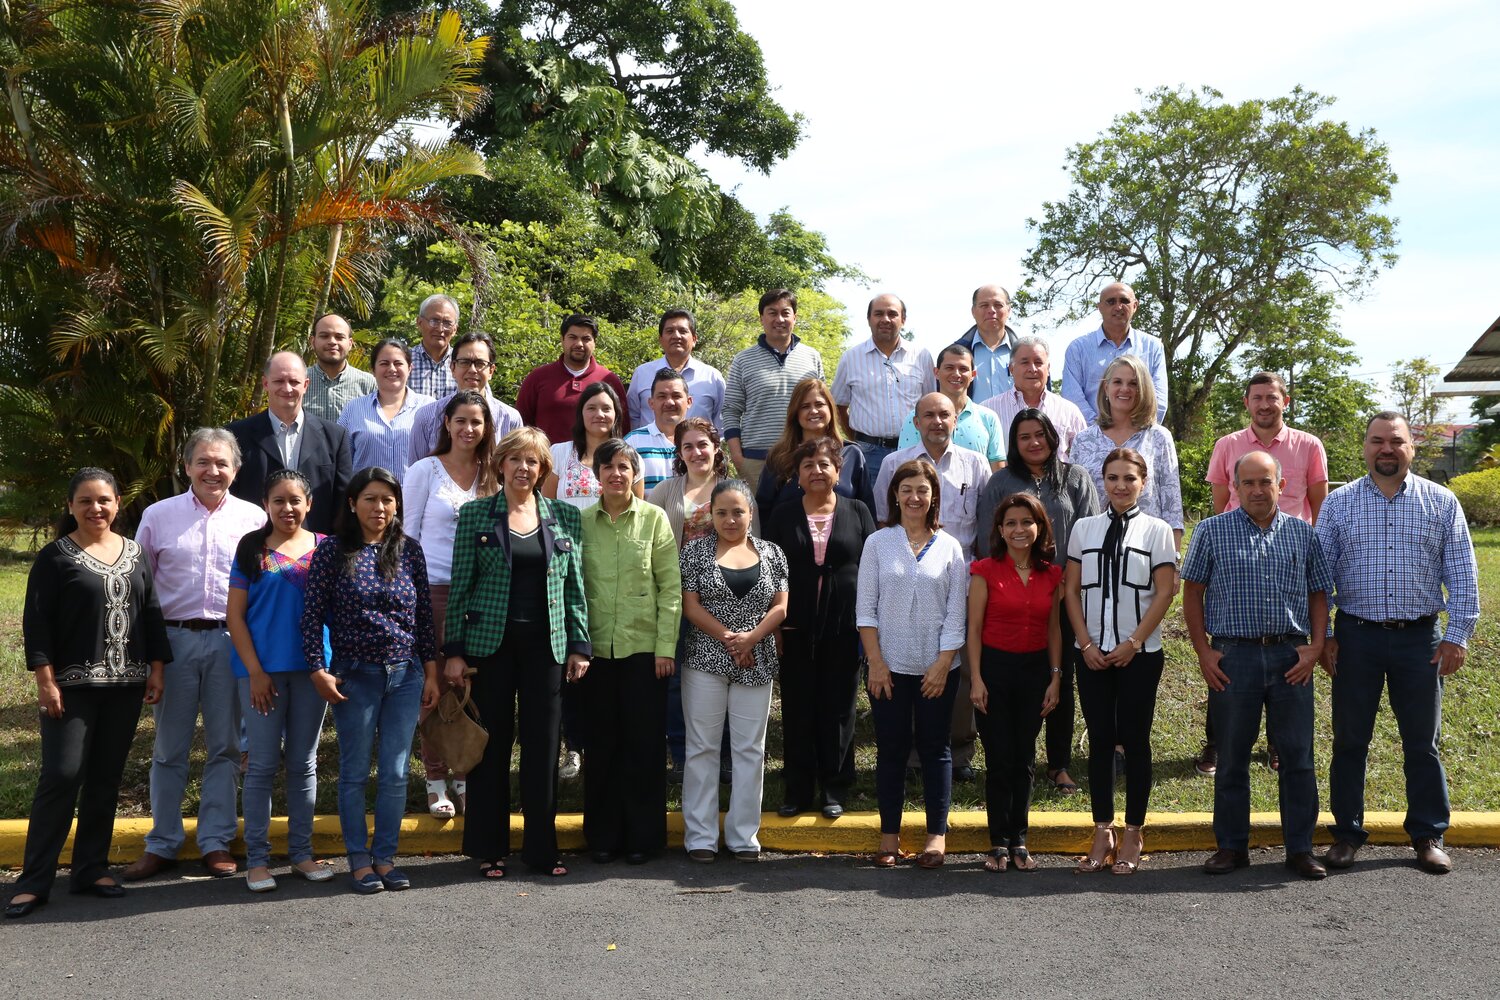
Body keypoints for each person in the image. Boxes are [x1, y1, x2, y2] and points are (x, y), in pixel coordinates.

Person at [1317, 412, 1479, 876]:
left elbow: (1463, 576)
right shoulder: (1339, 503)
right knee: (1350, 740)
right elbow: (1321, 577)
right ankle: (1346, 835)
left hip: (1419, 640)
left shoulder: (1441, 502)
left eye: (1396, 441)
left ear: (1411, 447)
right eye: (1377, 441)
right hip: (1355, 638)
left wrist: (1457, 636)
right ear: (1364, 447)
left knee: (1421, 743)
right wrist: (1325, 633)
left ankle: (1428, 834)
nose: (1386, 449)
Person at [7, 469, 170, 919]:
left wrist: (156, 668)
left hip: (126, 686)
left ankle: (90, 869)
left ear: (118, 502)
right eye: (85, 501)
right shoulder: (54, 557)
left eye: (104, 500)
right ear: (71, 506)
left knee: (105, 779)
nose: (96, 508)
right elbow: (36, 623)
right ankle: (34, 880)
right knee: (61, 776)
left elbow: (151, 613)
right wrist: (45, 680)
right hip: (72, 688)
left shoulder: (136, 554)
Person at [443, 428, 591, 879]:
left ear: (543, 469)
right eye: (516, 460)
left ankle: (542, 849)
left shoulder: (565, 515)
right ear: (500, 465)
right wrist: (453, 651)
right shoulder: (475, 516)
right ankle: (490, 847)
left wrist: (580, 643)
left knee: (543, 747)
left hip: (547, 648)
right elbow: (461, 586)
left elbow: (574, 586)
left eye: (534, 462)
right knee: (493, 746)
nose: (524, 469)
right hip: (490, 646)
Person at [123, 428, 267, 883]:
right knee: (170, 748)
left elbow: (262, 588)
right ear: (186, 467)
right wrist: (149, 656)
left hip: (231, 642)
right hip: (175, 643)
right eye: (203, 462)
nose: (213, 471)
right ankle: (163, 843)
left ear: (236, 470)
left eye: (222, 463)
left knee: (225, 746)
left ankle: (215, 841)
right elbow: (140, 590)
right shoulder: (158, 516)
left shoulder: (253, 518)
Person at [1183, 452, 1332, 880]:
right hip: (1234, 657)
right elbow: (1192, 591)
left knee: (1297, 757)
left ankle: (1300, 849)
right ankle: (1231, 847)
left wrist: (1316, 646)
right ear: (1234, 487)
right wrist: (1203, 652)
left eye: (1265, 482)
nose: (1256, 490)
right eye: (1247, 482)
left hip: (1291, 657)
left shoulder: (1304, 534)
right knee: (1232, 756)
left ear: (1281, 485)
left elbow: (1320, 593)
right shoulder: (1212, 532)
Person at [301, 466, 439, 894]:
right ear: (352, 504)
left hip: (406, 675)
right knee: (355, 772)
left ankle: (385, 858)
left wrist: (430, 672)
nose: (379, 508)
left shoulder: (409, 551)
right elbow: (310, 617)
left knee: (397, 773)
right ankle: (358, 861)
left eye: (387, 499)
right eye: (370, 499)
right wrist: (317, 670)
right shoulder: (331, 552)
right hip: (354, 676)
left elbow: (423, 620)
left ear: (397, 505)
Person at [1196, 371, 1329, 776]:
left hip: (1290, 553)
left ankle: (1276, 745)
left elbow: (1319, 505)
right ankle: (1217, 743)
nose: (1265, 404)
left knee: (1283, 660)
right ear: (1247, 403)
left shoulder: (1308, 445)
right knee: (1229, 661)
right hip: (1238, 552)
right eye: (1257, 397)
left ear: (1284, 401)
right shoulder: (1228, 445)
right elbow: (1220, 505)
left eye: (1272, 397)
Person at [1064, 448, 1177, 876]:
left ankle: (1133, 831)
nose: (1120, 486)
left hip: (1140, 655)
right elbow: (1071, 590)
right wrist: (1085, 642)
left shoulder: (1157, 530)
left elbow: (1165, 592)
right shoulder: (1084, 528)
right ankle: (1102, 829)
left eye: (1129, 478)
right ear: (1102, 481)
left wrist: (1133, 642)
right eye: (1112, 478)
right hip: (1091, 654)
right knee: (1099, 740)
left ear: (1143, 483)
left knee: (1134, 740)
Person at [975, 409, 1099, 794]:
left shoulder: (1075, 478)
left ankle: (1058, 763)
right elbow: (987, 537)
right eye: (1024, 436)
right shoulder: (1001, 482)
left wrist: (1069, 584)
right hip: (1013, 594)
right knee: (1017, 676)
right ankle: (1013, 754)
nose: (1034, 442)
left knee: (1060, 675)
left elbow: (1089, 534)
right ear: (1014, 443)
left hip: (1064, 593)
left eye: (1040, 434)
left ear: (1052, 437)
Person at [226, 470, 334, 892]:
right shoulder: (251, 548)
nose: (287, 509)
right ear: (266, 505)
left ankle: (301, 854)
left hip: (313, 672)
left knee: (303, 765)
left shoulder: (326, 548)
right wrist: (254, 671)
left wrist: (328, 666)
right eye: (278, 501)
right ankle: (257, 860)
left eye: (295, 501)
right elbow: (235, 616)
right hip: (261, 676)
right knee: (262, 765)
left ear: (308, 504)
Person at [857, 460, 968, 868]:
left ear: (934, 496)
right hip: (889, 667)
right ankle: (890, 835)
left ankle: (936, 836)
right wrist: (876, 662)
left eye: (922, 490)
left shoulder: (951, 547)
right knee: (891, 750)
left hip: (938, 670)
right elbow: (865, 610)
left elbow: (957, 613)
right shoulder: (878, 543)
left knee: (937, 749)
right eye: (906, 489)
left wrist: (942, 664)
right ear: (895, 494)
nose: (914, 497)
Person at [875, 391, 991, 780]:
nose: (937, 421)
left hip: (963, 574)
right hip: (906, 572)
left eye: (944, 414)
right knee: (906, 664)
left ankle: (958, 754)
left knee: (954, 666)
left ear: (956, 419)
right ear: (916, 420)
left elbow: (986, 525)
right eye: (929, 415)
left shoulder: (975, 465)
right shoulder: (895, 463)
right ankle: (910, 756)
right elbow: (882, 520)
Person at [579, 439, 682, 864]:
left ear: (635, 474)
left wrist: (664, 648)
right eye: (608, 467)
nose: (616, 474)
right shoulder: (580, 521)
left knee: (643, 746)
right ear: (596, 474)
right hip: (595, 653)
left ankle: (642, 838)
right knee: (601, 746)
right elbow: (572, 588)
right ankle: (603, 837)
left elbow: (671, 589)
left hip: (645, 651)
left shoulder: (655, 519)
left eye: (624, 466)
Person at [678, 480, 789, 863]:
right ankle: (700, 837)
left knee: (749, 751)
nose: (729, 519)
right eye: (721, 512)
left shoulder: (773, 553)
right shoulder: (693, 552)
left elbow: (780, 607)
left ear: (750, 513)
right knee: (703, 749)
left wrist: (751, 639)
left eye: (737, 511)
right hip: (706, 661)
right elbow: (690, 606)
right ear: (711, 513)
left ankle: (743, 836)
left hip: (756, 662)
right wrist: (732, 639)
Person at [402, 390, 500, 818]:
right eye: (460, 421)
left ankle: (464, 775)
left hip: (481, 595)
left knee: (469, 688)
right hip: (433, 591)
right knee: (434, 688)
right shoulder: (425, 470)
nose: (468, 429)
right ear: (447, 424)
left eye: (476, 422)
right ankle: (436, 779)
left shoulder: (494, 474)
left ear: (486, 428)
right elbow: (405, 537)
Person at [767, 438, 876, 820]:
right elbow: (770, 574)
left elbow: (871, 570)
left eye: (824, 464)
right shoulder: (782, 515)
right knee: (798, 708)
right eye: (808, 464)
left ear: (838, 471)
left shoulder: (858, 511)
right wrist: (774, 627)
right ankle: (797, 788)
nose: (817, 470)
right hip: (794, 627)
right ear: (797, 474)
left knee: (839, 708)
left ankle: (834, 786)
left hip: (844, 627)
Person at [646, 417, 749, 778]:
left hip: (727, 600)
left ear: (716, 448)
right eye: (687, 446)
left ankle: (724, 754)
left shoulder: (735, 489)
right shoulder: (663, 492)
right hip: (676, 599)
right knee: (676, 679)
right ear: (679, 453)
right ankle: (681, 752)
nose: (696, 452)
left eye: (702, 444)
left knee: (725, 675)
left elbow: (755, 545)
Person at [967, 492, 1063, 872]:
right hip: (994, 670)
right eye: (1011, 523)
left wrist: (1055, 679)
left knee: (1024, 757)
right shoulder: (984, 570)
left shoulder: (1052, 574)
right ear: (1000, 530)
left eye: (1027, 522)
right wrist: (975, 678)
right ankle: (996, 843)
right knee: (999, 758)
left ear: (1039, 527)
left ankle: (1019, 840)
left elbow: (1054, 630)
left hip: (1035, 671)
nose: (1019, 529)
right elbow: (972, 630)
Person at [227, 350, 352, 535]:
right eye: (279, 381)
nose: (287, 388)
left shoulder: (334, 437)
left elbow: (342, 501)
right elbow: (230, 497)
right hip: (256, 545)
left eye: (294, 382)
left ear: (306, 385)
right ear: (265, 383)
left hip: (316, 550)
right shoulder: (236, 435)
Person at [1069, 354, 1184, 552]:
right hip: (1094, 550)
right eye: (1117, 382)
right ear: (1106, 387)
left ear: (1143, 390)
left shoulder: (1159, 437)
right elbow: (1072, 504)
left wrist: (1173, 561)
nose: (1125, 389)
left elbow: (1172, 508)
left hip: (1147, 549)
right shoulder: (1083, 440)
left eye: (1133, 383)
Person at [722, 288, 825, 489]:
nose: (779, 319)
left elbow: (823, 409)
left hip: (804, 457)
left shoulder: (812, 357)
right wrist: (738, 458)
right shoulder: (743, 360)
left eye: (785, 313)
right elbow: (731, 410)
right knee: (759, 519)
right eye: (772, 313)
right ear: (761, 318)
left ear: (794, 317)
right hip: (757, 461)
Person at [831, 293, 935, 476]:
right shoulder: (851, 358)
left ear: (903, 319)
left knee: (914, 503)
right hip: (867, 454)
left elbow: (930, 403)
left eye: (892, 314)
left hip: (914, 451)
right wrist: (855, 438)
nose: (885, 319)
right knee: (870, 505)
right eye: (878, 314)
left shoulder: (922, 356)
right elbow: (837, 406)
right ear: (869, 319)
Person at [757, 377, 870, 521]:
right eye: (805, 406)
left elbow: (867, 510)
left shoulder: (852, 454)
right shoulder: (778, 456)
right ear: (795, 413)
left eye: (819, 404)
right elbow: (763, 511)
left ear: (830, 408)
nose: (813, 411)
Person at [406, 331, 524, 466]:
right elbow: (415, 473)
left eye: (480, 363)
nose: (472, 370)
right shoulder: (427, 417)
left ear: (491, 370)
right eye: (465, 362)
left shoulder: (510, 419)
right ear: (452, 368)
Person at [1061, 281, 1169, 424]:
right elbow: (1072, 399)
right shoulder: (1078, 349)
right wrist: (1100, 433)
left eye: (1124, 301)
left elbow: (1159, 400)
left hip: (1141, 439)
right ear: (1099, 308)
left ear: (1135, 306)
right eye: (1111, 302)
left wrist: (1135, 431)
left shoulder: (1153, 347)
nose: (1118, 307)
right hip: (1092, 439)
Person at [515, 313, 627, 444]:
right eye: (572, 337)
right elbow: (521, 426)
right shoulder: (538, 378)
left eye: (586, 339)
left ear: (594, 343)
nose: (579, 344)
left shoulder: (609, 380)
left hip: (597, 461)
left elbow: (622, 428)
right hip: (548, 460)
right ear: (562, 339)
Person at [337, 338, 434, 482]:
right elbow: (341, 461)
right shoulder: (353, 409)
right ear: (373, 370)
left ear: (410, 368)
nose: (392, 369)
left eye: (398, 363)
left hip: (416, 499)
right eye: (384, 363)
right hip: (367, 499)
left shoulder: (428, 407)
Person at [896, 344, 1006, 470]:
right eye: (949, 368)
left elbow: (997, 469)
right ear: (936, 373)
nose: (956, 374)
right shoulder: (915, 418)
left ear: (973, 375)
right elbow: (904, 467)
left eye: (963, 369)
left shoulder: (988, 418)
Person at [977, 335, 1086, 462]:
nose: (1032, 369)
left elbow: (1085, 457)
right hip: (1007, 481)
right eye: (1025, 363)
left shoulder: (1069, 411)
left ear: (1048, 369)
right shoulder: (987, 411)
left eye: (1038, 363)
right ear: (1011, 368)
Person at [625, 309, 725, 430]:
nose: (676, 336)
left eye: (683, 331)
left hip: (696, 448)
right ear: (661, 339)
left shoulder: (712, 377)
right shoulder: (642, 374)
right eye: (670, 331)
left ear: (694, 339)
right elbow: (631, 417)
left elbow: (721, 425)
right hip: (648, 448)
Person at [543, 381, 631, 511]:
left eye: (606, 409)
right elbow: (546, 507)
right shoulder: (558, 452)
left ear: (616, 414)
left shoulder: (630, 458)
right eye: (591, 408)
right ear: (581, 414)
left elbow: (635, 512)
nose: (599, 414)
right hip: (567, 530)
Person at [625, 368, 695, 491]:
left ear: (689, 401)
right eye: (662, 396)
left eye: (676, 396)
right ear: (651, 403)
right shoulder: (632, 443)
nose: (669, 402)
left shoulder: (702, 444)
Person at [951, 283, 1020, 402]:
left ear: (1008, 310)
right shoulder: (954, 355)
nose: (991, 310)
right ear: (973, 311)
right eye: (984, 305)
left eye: (998, 305)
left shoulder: (1025, 354)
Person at [303, 312, 375, 422]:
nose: (332, 341)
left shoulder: (369, 384)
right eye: (324, 336)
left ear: (350, 343)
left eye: (339, 337)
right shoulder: (297, 381)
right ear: (313, 342)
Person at [407, 293, 460, 399]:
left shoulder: (465, 364)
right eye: (434, 321)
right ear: (419, 322)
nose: (440, 329)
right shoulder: (403, 361)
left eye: (447, 323)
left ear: (454, 329)